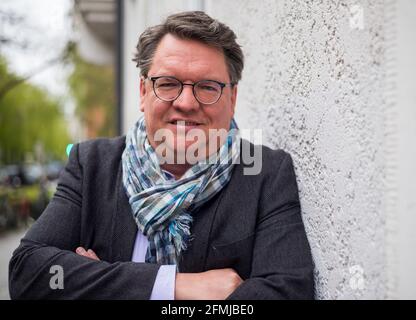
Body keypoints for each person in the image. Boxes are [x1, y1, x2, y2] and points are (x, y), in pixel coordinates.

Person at [8, 11, 314, 300]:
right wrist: (175, 285)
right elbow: (29, 273)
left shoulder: (264, 173)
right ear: (143, 92)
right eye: (168, 84)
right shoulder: (92, 165)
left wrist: (96, 280)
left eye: (207, 87)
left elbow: (288, 292)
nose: (185, 102)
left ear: (232, 98)